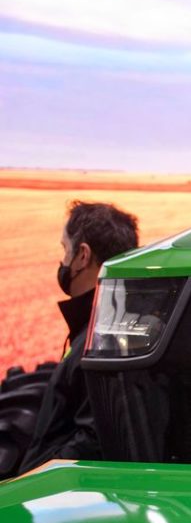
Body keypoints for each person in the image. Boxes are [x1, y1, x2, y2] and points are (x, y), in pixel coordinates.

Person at [18, 201, 138, 473]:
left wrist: (28, 480)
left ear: (82, 256)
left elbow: (92, 442)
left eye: (65, 250)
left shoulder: (100, 340)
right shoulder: (112, 321)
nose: (62, 262)